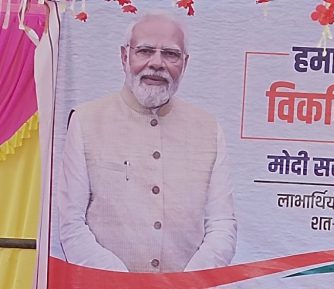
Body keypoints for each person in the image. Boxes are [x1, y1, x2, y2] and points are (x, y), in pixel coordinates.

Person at [57, 11, 236, 273]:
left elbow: (222, 224)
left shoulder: (208, 128)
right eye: (145, 51)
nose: (157, 63)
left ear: (184, 63)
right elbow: (71, 224)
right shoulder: (86, 121)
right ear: (124, 56)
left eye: (171, 54)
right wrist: (123, 283)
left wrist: (188, 283)